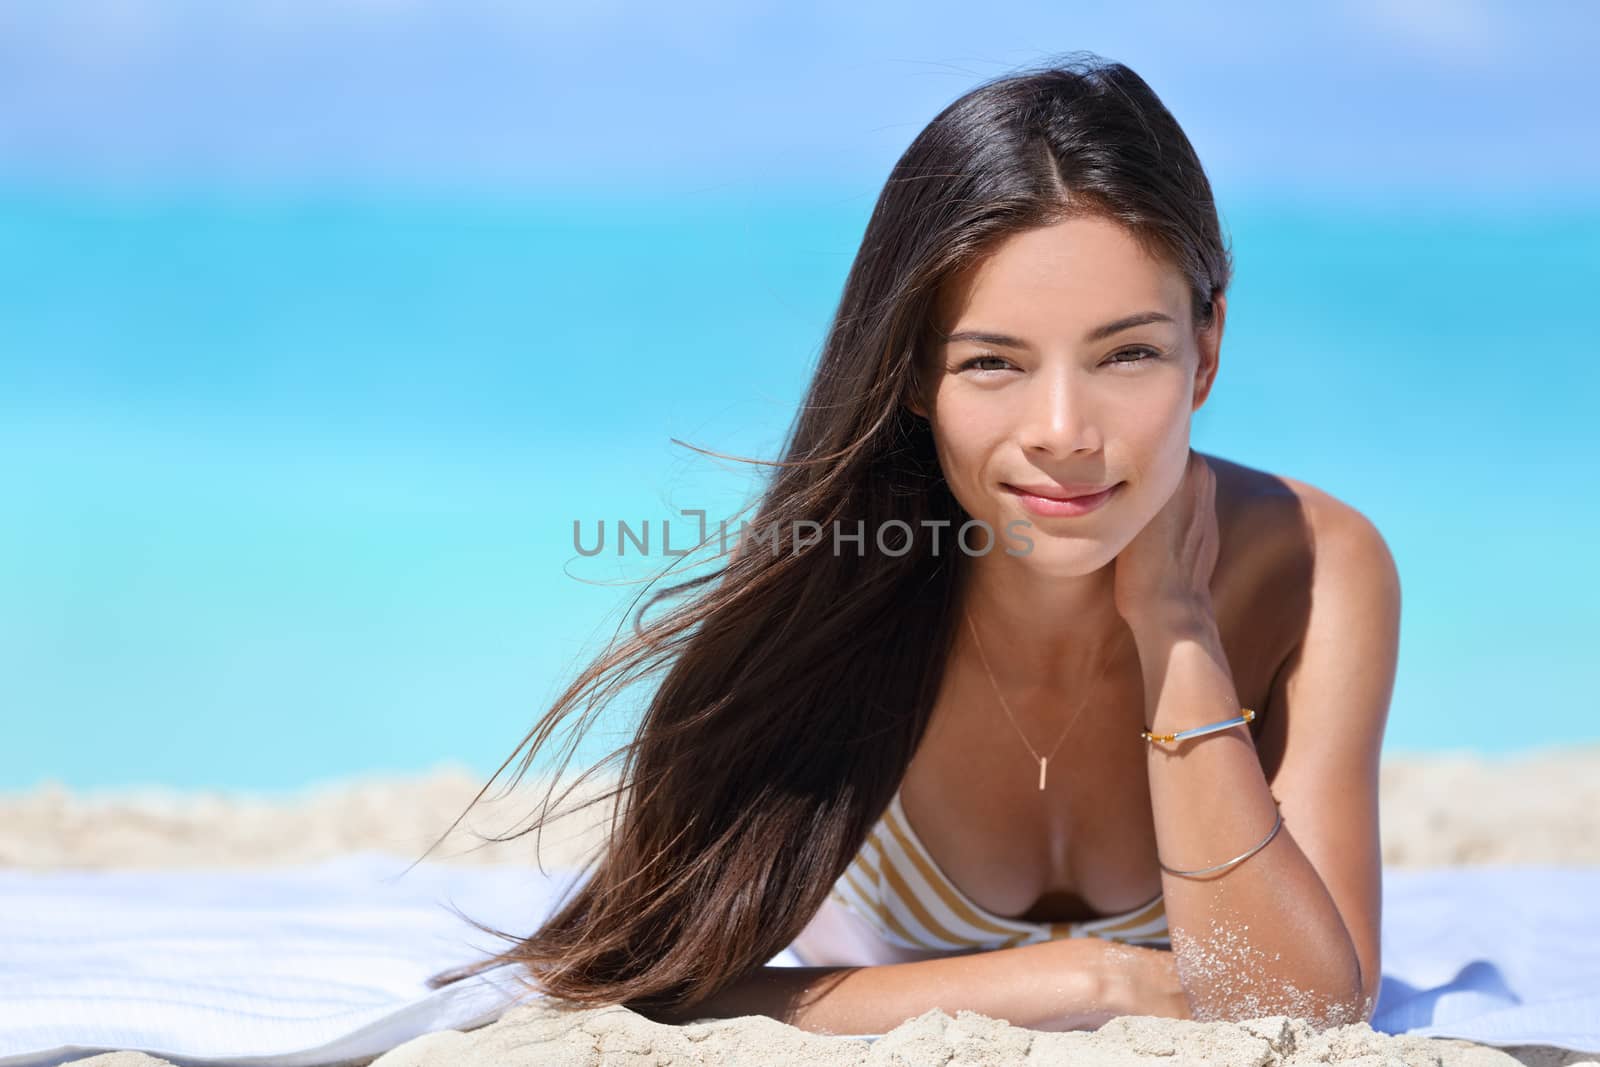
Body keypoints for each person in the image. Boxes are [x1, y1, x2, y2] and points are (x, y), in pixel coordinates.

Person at [419, 52, 1401, 1036]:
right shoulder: (843, 582)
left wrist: (1177, 629)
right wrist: (1087, 979)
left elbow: (1306, 1010)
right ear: (915, 377)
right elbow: (645, 984)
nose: (1062, 428)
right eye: (990, 362)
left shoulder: (1318, 568)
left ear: (1207, 350)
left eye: (1127, 351)